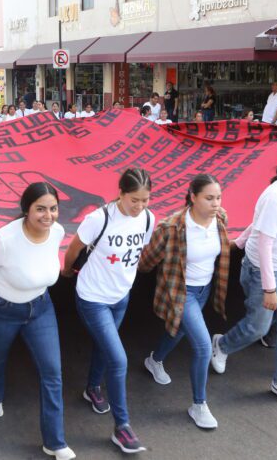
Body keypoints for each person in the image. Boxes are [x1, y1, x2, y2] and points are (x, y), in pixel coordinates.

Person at [0, 183, 75, 460]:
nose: (48, 215)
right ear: (26, 210)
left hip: (41, 308)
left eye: (53, 208)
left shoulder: (57, 232)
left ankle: (54, 441)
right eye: (40, 209)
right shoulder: (4, 240)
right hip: (1, 308)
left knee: (52, 372)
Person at [211, 145, 277, 409]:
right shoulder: (275, 197)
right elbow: (265, 242)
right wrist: (270, 288)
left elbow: (259, 225)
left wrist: (241, 241)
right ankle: (222, 344)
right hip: (265, 272)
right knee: (259, 327)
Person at [62, 169, 154, 453]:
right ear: (121, 194)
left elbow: (139, 252)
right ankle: (122, 427)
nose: (139, 207)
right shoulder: (98, 218)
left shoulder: (148, 219)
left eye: (145, 200)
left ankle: (92, 388)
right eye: (134, 200)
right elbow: (74, 248)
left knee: (105, 347)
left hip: (121, 296)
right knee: (118, 359)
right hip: (93, 297)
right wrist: (66, 272)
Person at [139, 175, 229, 428]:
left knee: (177, 330)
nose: (215, 203)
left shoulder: (220, 218)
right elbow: (146, 262)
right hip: (182, 292)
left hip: (205, 289)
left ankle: (154, 360)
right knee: (201, 346)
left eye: (218, 197)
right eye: (209, 198)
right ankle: (199, 405)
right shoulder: (171, 227)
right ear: (192, 197)